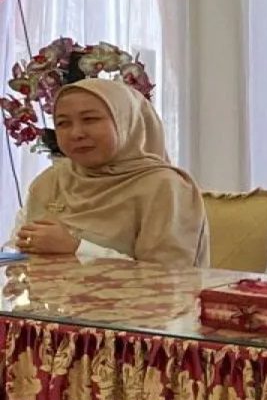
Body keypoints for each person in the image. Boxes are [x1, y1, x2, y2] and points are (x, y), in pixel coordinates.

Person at [9, 78, 210, 268]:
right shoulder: (51, 180)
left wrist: (76, 248)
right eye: (63, 123)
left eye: (90, 119)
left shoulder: (165, 187)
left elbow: (169, 277)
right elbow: (15, 252)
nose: (76, 133)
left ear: (126, 123)